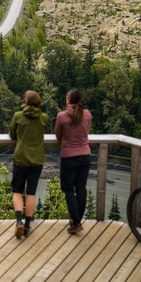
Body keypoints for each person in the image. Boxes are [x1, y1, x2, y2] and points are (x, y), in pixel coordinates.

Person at [9, 90, 48, 238]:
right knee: (31, 193)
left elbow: (12, 134)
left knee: (17, 191)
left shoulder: (18, 116)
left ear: (25, 102)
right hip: (37, 160)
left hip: (21, 159)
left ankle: (18, 221)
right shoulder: (44, 118)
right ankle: (26, 226)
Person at [54, 89, 92, 234]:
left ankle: (76, 222)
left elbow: (58, 136)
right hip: (85, 157)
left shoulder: (62, 116)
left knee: (68, 189)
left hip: (69, 158)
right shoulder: (87, 114)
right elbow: (85, 131)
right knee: (81, 189)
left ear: (68, 100)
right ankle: (77, 220)